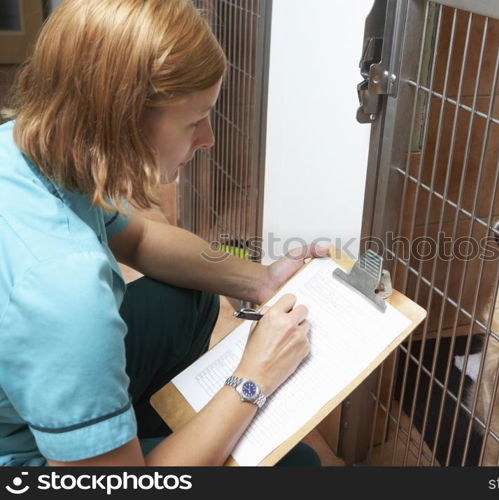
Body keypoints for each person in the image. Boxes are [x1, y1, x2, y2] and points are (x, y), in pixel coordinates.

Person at [0, 0, 327, 466]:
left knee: (190, 297)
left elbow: (139, 240)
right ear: (124, 118)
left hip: (22, 384)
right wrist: (254, 378)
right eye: (195, 120)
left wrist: (261, 280)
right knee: (298, 466)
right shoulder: (66, 291)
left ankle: (126, 429)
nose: (208, 138)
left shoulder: (24, 145)